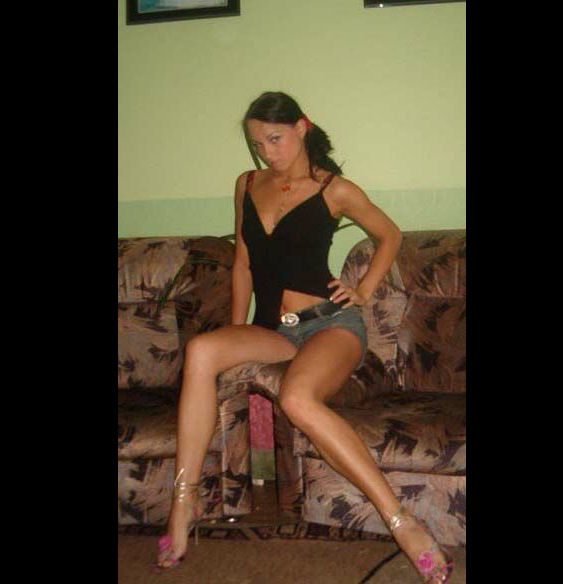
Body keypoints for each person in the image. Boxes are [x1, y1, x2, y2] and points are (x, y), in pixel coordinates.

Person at [155, 91, 453, 582]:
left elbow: (390, 234)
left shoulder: (334, 190)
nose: (267, 153)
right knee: (203, 350)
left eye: (275, 139)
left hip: (331, 324)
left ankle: (403, 523)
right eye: (257, 144)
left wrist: (363, 290)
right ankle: (183, 503)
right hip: (273, 328)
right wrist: (237, 327)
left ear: (302, 127)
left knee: (297, 398)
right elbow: (244, 263)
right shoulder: (247, 184)